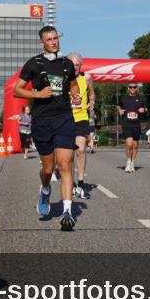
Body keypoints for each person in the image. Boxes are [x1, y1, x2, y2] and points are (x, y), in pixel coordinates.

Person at [14, 26, 82, 230]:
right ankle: (44, 189)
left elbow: (72, 84)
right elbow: (17, 90)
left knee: (66, 165)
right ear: (41, 42)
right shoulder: (33, 64)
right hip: (42, 121)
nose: (54, 42)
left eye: (55, 38)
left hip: (64, 119)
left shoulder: (67, 64)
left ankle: (67, 212)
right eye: (49, 39)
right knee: (48, 169)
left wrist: (75, 94)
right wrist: (37, 95)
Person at [67, 52, 95, 199]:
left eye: (78, 64)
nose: (75, 67)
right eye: (72, 64)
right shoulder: (63, 79)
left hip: (81, 117)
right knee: (68, 154)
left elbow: (92, 94)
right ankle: (69, 183)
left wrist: (92, 101)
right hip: (65, 118)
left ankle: (81, 184)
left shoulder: (87, 78)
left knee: (81, 149)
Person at [118, 83, 147, 173]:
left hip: (136, 124)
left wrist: (144, 110)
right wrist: (119, 110)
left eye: (134, 87)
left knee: (135, 145)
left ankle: (132, 162)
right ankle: (128, 162)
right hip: (126, 123)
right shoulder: (123, 98)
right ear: (128, 88)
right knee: (129, 143)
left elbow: (146, 109)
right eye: (131, 87)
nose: (132, 88)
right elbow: (118, 105)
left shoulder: (141, 98)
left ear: (137, 88)